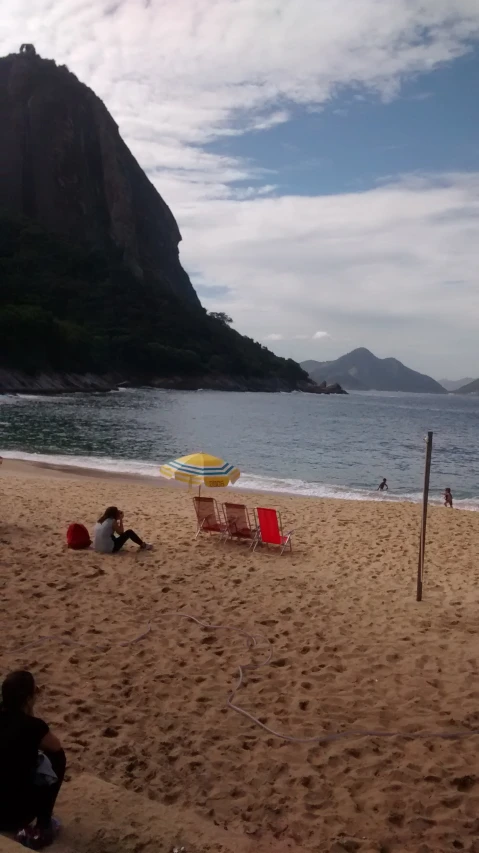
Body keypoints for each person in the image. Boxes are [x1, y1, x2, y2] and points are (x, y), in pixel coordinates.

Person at [0, 670, 66, 849]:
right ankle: (43, 826)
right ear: (28, 699)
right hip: (16, 815)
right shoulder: (33, 726)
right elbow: (56, 747)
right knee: (56, 758)